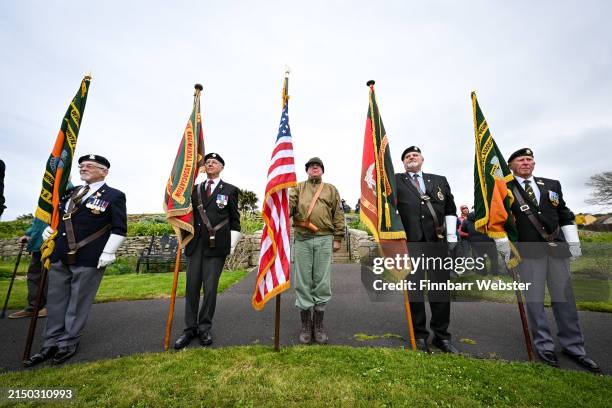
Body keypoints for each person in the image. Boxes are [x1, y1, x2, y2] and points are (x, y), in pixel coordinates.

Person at [498, 147, 600, 372]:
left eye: (529, 160)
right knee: (534, 301)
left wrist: (573, 246)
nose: (526, 163)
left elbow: (564, 214)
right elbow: (499, 222)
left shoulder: (551, 184)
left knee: (565, 299)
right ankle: (543, 345)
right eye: (521, 160)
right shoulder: (504, 188)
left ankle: (574, 346)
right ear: (511, 165)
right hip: (528, 252)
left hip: (557, 249)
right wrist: (507, 251)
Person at [24, 154, 127, 367]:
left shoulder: (114, 195)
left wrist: (109, 252)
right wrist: (50, 231)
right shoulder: (70, 193)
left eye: (90, 166)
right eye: (82, 166)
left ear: (104, 171)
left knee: (78, 301)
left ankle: (68, 342)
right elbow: (61, 219)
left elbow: (119, 228)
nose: (84, 168)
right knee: (56, 300)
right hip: (60, 254)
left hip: (89, 256)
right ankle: (50, 342)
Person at [174, 153, 241, 350]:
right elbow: (184, 215)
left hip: (216, 246)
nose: (210, 164)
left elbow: (234, 220)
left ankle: (204, 328)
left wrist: (230, 244)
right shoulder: (193, 190)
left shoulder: (230, 190)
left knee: (210, 290)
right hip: (194, 245)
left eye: (214, 162)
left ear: (222, 166)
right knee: (191, 288)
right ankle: (189, 329)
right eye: (207, 162)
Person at [395, 146, 459, 353]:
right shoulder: (395, 180)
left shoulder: (439, 180)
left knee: (440, 290)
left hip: (437, 243)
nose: (411, 158)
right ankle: (419, 335)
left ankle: (442, 336)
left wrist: (451, 236)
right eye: (407, 156)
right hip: (410, 244)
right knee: (414, 290)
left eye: (414, 155)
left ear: (422, 159)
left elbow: (450, 208)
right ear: (403, 163)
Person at [290, 157, 345, 344]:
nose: (315, 168)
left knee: (322, 281)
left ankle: (318, 325)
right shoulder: (297, 187)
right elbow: (289, 206)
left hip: (323, 238)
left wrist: (337, 237)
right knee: (303, 281)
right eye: (311, 166)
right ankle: (306, 325)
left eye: (318, 166)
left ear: (322, 170)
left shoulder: (331, 189)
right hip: (303, 238)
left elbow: (338, 213)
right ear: (307, 170)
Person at [9, 218, 49, 319]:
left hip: (51, 244)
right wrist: (28, 234)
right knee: (33, 276)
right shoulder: (43, 205)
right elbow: (37, 222)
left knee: (49, 277)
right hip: (37, 244)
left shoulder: (59, 203)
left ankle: (50, 307)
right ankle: (33, 307)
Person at [461, 211, 501, 276]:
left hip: (475, 243)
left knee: (480, 259)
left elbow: (463, 230)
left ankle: (484, 274)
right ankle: (495, 274)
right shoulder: (485, 217)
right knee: (494, 258)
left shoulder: (466, 220)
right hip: (488, 241)